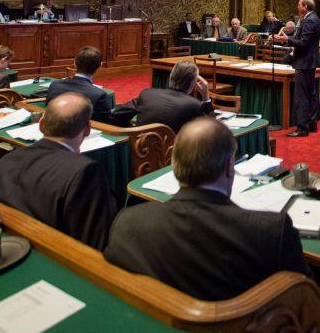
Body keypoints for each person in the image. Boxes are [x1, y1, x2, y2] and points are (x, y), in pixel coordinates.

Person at [104, 118, 307, 300]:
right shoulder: (271, 232)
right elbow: (306, 299)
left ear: (174, 164)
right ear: (230, 167)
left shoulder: (126, 223)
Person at [0, 93, 118, 250]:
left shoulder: (5, 161)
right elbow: (95, 243)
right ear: (87, 130)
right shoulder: (85, 172)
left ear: (41, 125)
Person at [110, 60, 214, 134]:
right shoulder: (193, 105)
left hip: (140, 154)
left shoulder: (147, 94)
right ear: (193, 84)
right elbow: (213, 131)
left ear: (171, 77)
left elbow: (116, 115)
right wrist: (206, 97)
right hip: (174, 157)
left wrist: (133, 131)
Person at [274, 0, 320, 137]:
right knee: (311, 94)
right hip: (309, 62)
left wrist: (287, 39)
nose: (297, 7)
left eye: (299, 4)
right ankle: (311, 124)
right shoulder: (313, 18)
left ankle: (302, 128)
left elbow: (304, 42)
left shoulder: (309, 20)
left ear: (305, 6)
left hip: (304, 62)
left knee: (302, 96)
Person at [46, 46, 111, 122]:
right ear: (100, 66)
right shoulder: (99, 95)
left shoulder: (55, 85)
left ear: (75, 63)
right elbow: (105, 124)